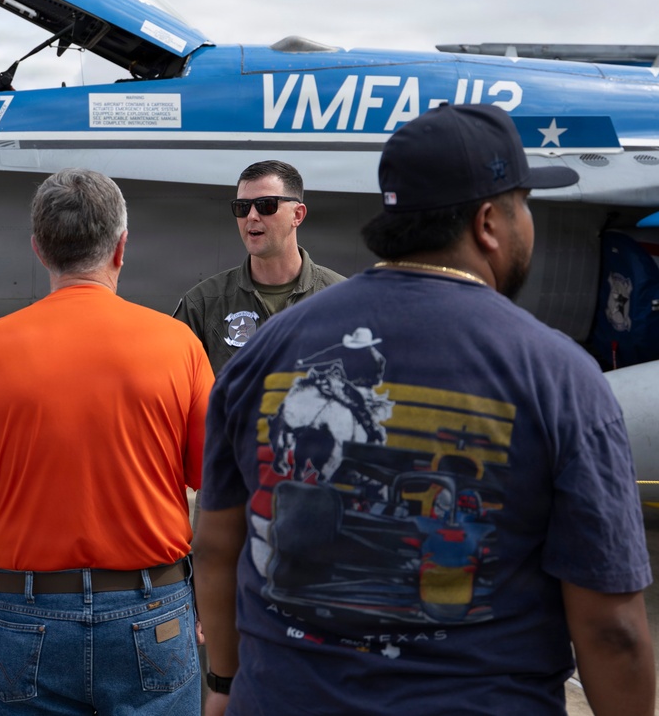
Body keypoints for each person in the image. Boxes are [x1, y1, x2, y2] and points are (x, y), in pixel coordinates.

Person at [193, 104, 654, 715]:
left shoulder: (267, 350)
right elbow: (610, 629)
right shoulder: (559, 374)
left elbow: (217, 545)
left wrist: (222, 686)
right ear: (491, 221)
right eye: (525, 206)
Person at [0, 168, 214, 715]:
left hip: (25, 613)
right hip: (153, 608)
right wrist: (210, 602)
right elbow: (219, 493)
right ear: (121, 247)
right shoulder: (178, 345)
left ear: (39, 249)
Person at [173, 160, 344, 374]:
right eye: (242, 207)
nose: (252, 216)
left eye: (266, 205)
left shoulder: (343, 299)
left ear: (297, 215)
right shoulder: (203, 305)